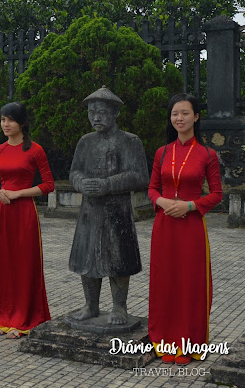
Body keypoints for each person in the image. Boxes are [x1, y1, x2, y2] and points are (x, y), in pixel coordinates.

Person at [148, 93, 222, 366]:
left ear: (196, 116)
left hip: (191, 227)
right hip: (164, 225)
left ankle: (189, 342)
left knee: (190, 284)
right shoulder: (162, 152)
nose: (179, 118)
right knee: (165, 282)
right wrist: (162, 201)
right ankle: (165, 340)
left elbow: (216, 194)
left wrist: (190, 205)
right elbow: (151, 188)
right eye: (175, 114)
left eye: (185, 113)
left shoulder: (207, 154)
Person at [68, 87, 149, 326]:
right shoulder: (85, 142)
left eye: (101, 112)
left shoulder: (130, 141)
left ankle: (119, 307)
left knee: (118, 258)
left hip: (117, 211)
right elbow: (74, 171)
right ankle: (91, 305)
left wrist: (108, 184)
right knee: (87, 258)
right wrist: (81, 182)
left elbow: (140, 176)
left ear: (115, 114)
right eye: (92, 112)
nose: (96, 117)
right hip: (89, 210)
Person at [0, 102, 55, 339]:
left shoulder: (35, 150)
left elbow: (48, 185)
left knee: (25, 264)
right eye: (3, 120)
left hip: (25, 212)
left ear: (22, 123)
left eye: (10, 120)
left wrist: (18, 193)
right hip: (3, 212)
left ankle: (25, 320)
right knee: (5, 264)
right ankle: (4, 316)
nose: (5, 124)